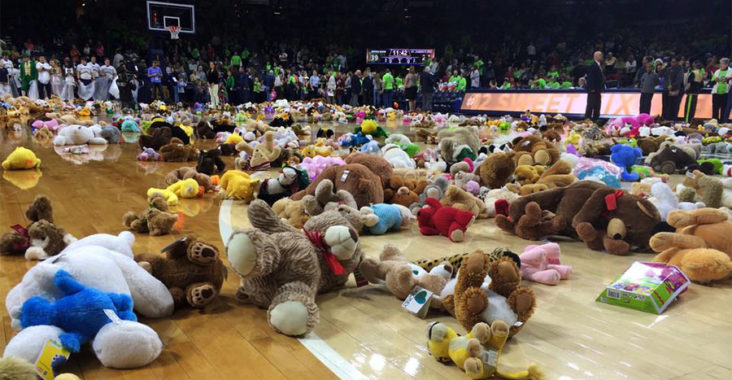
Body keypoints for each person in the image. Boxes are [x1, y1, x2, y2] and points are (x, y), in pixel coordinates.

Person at [584, 51, 605, 121]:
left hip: (597, 90)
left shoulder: (598, 66)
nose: (602, 56)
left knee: (597, 106)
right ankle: (587, 120)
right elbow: (591, 78)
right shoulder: (593, 66)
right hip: (593, 90)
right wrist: (592, 88)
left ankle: (595, 120)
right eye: (600, 55)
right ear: (596, 56)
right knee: (590, 106)